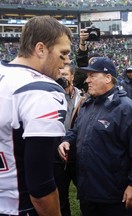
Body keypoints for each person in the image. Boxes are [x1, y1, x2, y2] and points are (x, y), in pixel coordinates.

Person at [58, 57, 132, 216]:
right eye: (87, 76)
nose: (87, 80)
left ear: (108, 78)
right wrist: (67, 140)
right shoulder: (88, 104)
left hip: (114, 194)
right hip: (88, 190)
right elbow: (77, 130)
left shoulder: (125, 108)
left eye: (92, 76)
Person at [0, 15, 72, 216]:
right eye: (63, 53)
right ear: (41, 49)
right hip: (19, 206)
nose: (67, 62)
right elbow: (40, 186)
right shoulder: (42, 90)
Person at [54, 64, 86, 216]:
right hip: (57, 155)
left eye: (65, 74)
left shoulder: (84, 98)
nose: (62, 77)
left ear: (73, 76)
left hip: (79, 153)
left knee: (86, 194)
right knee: (61, 198)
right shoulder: (50, 96)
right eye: (60, 74)